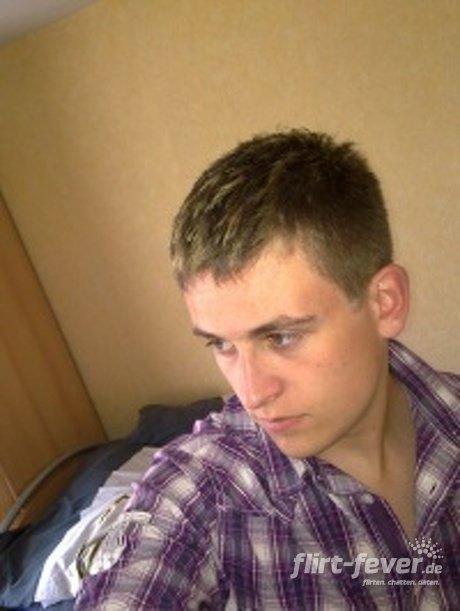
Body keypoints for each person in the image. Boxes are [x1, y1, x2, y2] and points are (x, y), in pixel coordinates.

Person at [76, 129, 458, 610]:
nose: (252, 393)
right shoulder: (205, 493)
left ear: (385, 302)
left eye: (281, 337)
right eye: (221, 344)